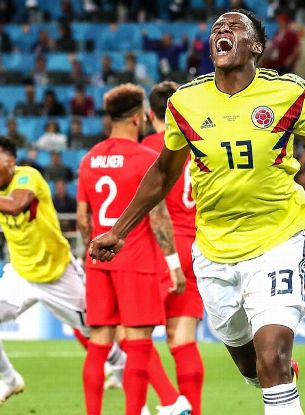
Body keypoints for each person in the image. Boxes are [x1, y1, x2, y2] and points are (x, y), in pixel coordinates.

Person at [89, 10, 305, 415]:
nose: (221, 32)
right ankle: (270, 373)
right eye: (216, 29)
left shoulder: (289, 94)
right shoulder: (185, 102)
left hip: (278, 238)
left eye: (233, 27)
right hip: (215, 250)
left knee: (273, 358)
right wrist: (119, 230)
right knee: (252, 365)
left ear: (256, 46)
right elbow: (162, 173)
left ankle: (279, 377)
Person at [0, 136, 124, 411]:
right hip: (21, 274)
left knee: (98, 333)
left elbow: (15, 206)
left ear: (11, 161)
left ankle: (122, 370)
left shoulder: (29, 178)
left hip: (58, 274)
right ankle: (9, 379)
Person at [76, 83, 189, 415]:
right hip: (136, 259)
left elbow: (83, 218)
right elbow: (158, 216)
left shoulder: (89, 158)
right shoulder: (145, 159)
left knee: (99, 345)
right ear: (139, 117)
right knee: (139, 343)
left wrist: (92, 252)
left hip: (98, 262)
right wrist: (173, 263)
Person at [141, 81, 205, 415]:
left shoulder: (150, 146)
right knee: (182, 340)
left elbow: (146, 206)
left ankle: (170, 401)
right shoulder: (202, 142)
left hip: (163, 249)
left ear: (149, 114)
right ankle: (192, 409)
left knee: (131, 332)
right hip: (201, 248)